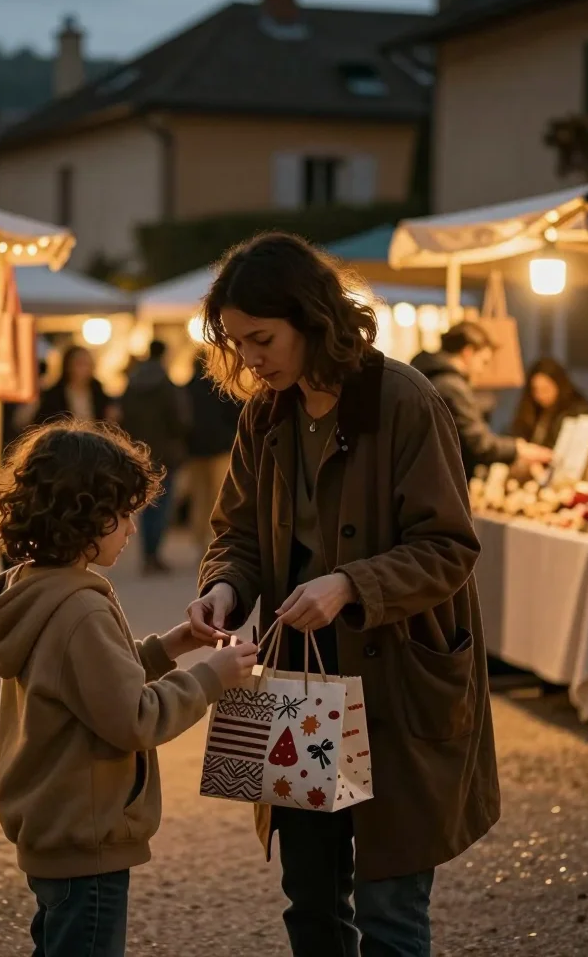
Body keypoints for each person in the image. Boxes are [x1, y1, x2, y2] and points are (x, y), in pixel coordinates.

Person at [186, 232, 500, 957]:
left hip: (397, 679)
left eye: (261, 339)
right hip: (299, 677)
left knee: (391, 905)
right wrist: (224, 590)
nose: (251, 360)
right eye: (238, 344)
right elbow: (234, 531)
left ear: (311, 318)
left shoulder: (405, 399)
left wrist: (350, 583)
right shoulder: (265, 413)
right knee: (312, 899)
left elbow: (450, 546)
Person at [0, 419, 257, 957]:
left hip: (55, 826)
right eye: (122, 515)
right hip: (88, 835)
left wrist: (166, 648)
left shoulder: (36, 588)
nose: (131, 530)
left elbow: (89, 683)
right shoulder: (79, 608)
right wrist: (210, 679)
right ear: (85, 517)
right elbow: (133, 718)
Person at [411, 322, 552, 478]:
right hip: (437, 479)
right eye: (483, 362)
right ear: (468, 353)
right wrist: (518, 449)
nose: (481, 370)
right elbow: (478, 444)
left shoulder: (432, 378)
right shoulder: (451, 386)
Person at [120, 340, 190, 574]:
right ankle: (154, 554)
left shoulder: (132, 383)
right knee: (162, 504)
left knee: (145, 504)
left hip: (138, 452)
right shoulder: (167, 385)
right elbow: (180, 420)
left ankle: (147, 554)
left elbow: (123, 416)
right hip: (165, 453)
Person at [184, 353, 241, 552]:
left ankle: (199, 540)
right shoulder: (220, 388)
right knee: (219, 495)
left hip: (195, 450)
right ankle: (215, 537)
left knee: (199, 496)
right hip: (220, 448)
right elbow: (236, 414)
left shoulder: (186, 389)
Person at [510, 357, 588, 448]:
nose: (540, 395)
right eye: (536, 390)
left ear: (559, 385)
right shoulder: (533, 412)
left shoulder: (577, 413)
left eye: (545, 389)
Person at [32, 344, 119, 426]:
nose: (85, 369)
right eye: (80, 364)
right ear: (68, 366)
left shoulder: (99, 394)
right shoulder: (54, 395)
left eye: (88, 364)